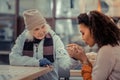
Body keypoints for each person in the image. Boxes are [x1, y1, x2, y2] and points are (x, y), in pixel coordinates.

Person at [9, 9, 71, 80]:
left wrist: (73, 58)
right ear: (30, 31)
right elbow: (13, 58)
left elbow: (64, 61)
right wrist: (37, 62)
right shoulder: (22, 39)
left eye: (43, 27)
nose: (41, 32)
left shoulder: (54, 38)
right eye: (36, 29)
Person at [67, 10, 120, 80]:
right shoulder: (112, 46)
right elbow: (97, 75)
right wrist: (84, 58)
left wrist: (84, 61)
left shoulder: (106, 51)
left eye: (83, 33)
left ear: (93, 30)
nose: (82, 38)